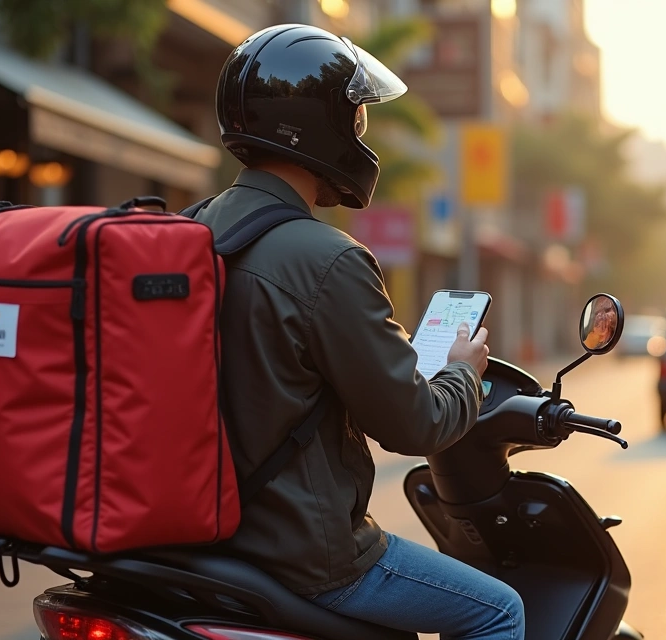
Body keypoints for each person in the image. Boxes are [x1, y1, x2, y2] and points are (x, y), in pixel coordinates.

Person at [194, 25, 524, 639]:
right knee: (500, 611)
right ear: (320, 126)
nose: (360, 134)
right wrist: (462, 371)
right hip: (303, 554)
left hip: (201, 536)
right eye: (356, 118)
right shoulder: (329, 259)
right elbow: (414, 425)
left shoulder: (192, 231)